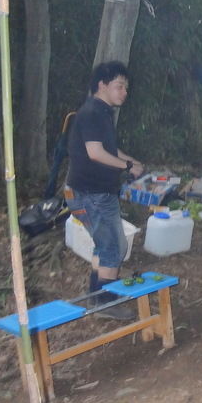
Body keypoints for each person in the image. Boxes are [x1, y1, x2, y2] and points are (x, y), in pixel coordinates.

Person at [65, 61, 144, 320]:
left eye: (126, 88)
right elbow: (95, 153)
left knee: (106, 246)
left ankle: (96, 296)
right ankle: (105, 304)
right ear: (102, 85)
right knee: (114, 248)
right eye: (119, 86)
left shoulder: (101, 112)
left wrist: (131, 161)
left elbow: (108, 149)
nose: (124, 92)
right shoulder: (92, 113)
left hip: (91, 193)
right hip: (91, 194)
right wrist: (126, 166)